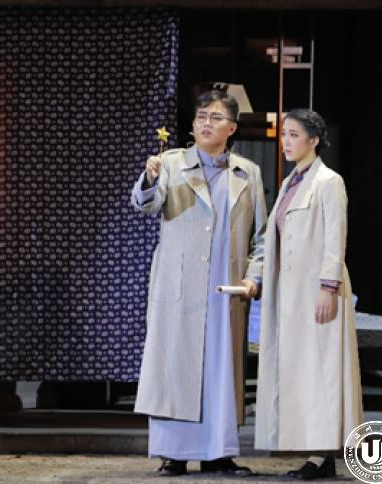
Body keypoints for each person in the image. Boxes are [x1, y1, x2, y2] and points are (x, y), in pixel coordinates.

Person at [131, 90, 267, 476]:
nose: (206, 123)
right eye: (201, 117)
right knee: (176, 370)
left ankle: (218, 453)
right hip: (180, 288)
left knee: (220, 373)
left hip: (225, 289)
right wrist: (149, 178)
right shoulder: (171, 163)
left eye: (215, 118)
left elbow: (261, 236)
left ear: (232, 128)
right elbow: (145, 204)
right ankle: (173, 454)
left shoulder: (247, 172)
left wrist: (253, 277)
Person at [255, 109, 363, 480]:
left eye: (294, 135)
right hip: (292, 293)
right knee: (302, 371)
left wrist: (328, 288)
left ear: (314, 140)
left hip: (319, 290)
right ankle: (315, 451)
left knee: (323, 370)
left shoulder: (328, 182)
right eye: (284, 134)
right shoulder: (291, 182)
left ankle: (322, 455)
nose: (286, 142)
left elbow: (336, 238)